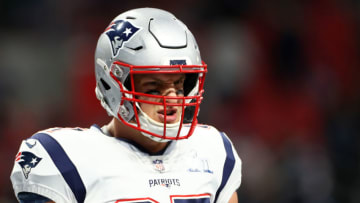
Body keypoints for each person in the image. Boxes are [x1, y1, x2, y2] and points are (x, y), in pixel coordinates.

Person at [10, 7, 242, 203]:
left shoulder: (213, 150)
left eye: (179, 85)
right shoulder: (61, 157)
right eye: (154, 88)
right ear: (112, 84)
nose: (172, 99)